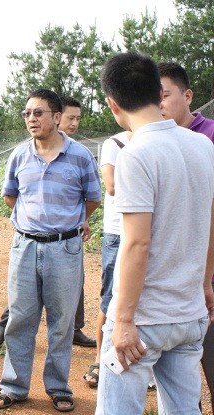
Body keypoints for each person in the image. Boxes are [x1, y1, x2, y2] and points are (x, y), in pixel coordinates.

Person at [95, 50, 214, 415]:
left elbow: (137, 243)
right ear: (157, 92)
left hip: (143, 321)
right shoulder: (203, 146)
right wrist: (206, 284)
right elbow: (210, 222)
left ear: (113, 104)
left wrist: (125, 320)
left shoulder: (135, 152)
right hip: (189, 314)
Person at [0, 88, 101, 412]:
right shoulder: (19, 155)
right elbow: (10, 196)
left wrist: (73, 222)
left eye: (38, 113)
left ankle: (58, 387)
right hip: (24, 246)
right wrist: (32, 222)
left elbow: (93, 198)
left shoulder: (80, 156)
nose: (31, 119)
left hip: (65, 249)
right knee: (21, 318)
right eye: (27, 113)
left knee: (62, 322)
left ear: (55, 117)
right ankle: (13, 386)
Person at [158, 61, 214, 412]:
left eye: (164, 95)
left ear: (187, 95)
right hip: (172, 282)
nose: (158, 104)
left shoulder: (208, 137)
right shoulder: (150, 139)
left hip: (205, 273)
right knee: (181, 379)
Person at [82, 130, 132, 388]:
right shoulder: (115, 143)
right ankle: (101, 359)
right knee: (110, 297)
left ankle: (136, 362)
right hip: (117, 232)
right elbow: (111, 186)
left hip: (150, 232)